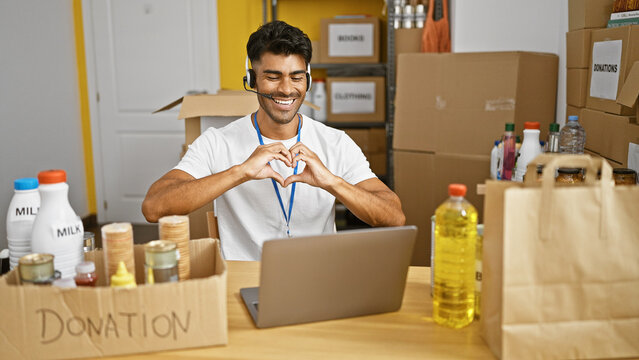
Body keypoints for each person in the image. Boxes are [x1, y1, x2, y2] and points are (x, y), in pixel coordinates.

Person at [142, 21, 405, 260]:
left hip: (318, 279)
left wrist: (332, 182)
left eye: (296, 76)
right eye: (273, 76)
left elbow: (394, 217)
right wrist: (240, 172)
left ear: (308, 79)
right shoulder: (217, 142)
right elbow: (154, 208)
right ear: (252, 79)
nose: (287, 89)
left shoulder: (336, 143)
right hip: (244, 282)